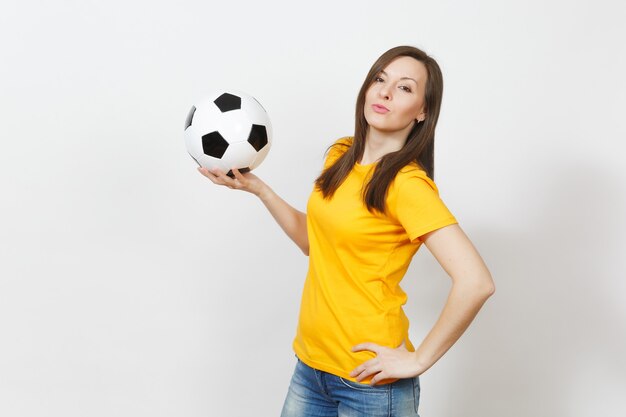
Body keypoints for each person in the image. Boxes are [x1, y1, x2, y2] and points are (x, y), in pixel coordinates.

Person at [198, 45, 495, 417]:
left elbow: (476, 282)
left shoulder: (407, 185)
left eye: (405, 88)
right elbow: (314, 242)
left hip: (370, 384)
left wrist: (417, 360)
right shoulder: (341, 153)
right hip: (311, 367)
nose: (385, 92)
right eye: (380, 79)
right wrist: (260, 189)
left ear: (423, 111)